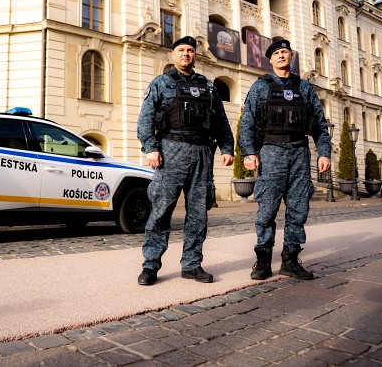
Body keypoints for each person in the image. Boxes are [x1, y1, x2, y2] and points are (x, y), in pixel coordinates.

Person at [136, 35, 234, 286]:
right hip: (170, 151)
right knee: (161, 210)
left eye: (190, 50)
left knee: (199, 213)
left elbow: (221, 121)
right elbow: (145, 119)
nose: (186, 54)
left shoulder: (209, 87)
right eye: (181, 50)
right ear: (173, 55)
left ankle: (191, 265)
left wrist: (227, 147)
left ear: (195, 55)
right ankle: (150, 265)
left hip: (202, 152)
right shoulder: (161, 83)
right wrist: (150, 148)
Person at [239, 39, 331, 281]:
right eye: (277, 53)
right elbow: (247, 121)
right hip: (271, 152)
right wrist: (249, 153)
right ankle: (263, 261)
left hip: (300, 152)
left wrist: (324, 152)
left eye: (285, 52)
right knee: (267, 210)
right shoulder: (261, 86)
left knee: (299, 209)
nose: (281, 56)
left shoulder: (306, 88)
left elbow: (320, 124)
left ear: (291, 56)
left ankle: (290, 260)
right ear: (270, 59)